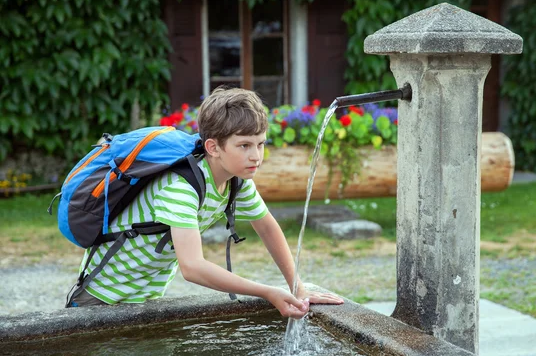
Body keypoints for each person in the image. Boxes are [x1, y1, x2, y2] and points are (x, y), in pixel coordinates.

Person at [69, 86, 344, 318]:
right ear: (213, 147)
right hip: (99, 299)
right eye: (244, 145)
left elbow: (267, 227)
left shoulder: (238, 181)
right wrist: (267, 291)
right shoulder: (180, 188)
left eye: (261, 144)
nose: (256, 156)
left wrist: (297, 286)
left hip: (147, 299)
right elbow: (193, 267)